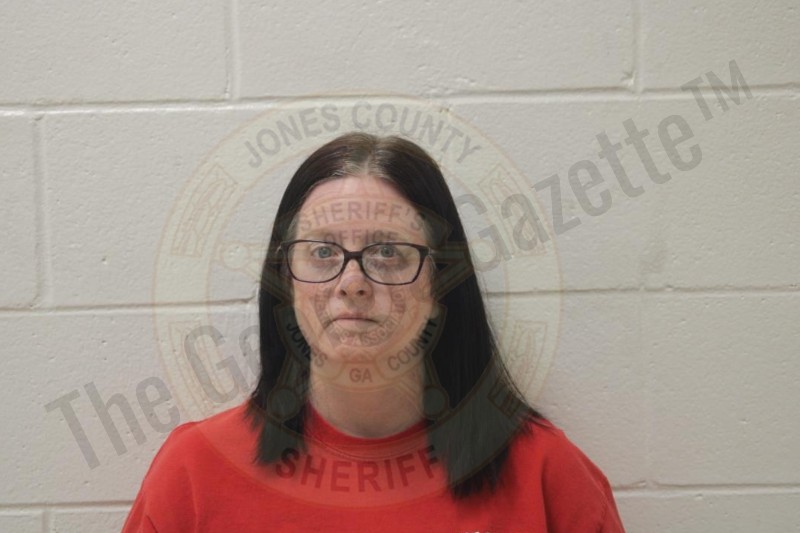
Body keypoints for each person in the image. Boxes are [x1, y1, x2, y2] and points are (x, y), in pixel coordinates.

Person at [122, 133, 625, 532]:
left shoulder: (547, 476)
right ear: (284, 282)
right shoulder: (195, 473)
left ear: (441, 283)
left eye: (388, 252)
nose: (352, 283)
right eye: (322, 252)